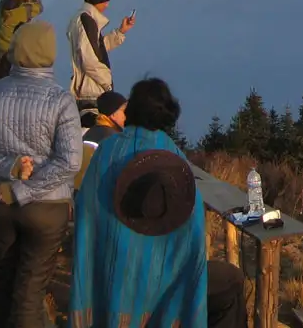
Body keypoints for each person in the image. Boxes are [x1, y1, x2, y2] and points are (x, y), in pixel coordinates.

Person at [69, 78, 246, 328]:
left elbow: (86, 218)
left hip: (110, 284)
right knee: (231, 282)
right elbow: (192, 244)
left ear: (131, 111)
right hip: (166, 288)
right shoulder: (176, 160)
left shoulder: (106, 153)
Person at [0, 20, 82, 328]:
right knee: (29, 292)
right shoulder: (60, 100)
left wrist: (9, 169)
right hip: (46, 207)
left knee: (0, 287)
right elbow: (69, 163)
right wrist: (24, 190)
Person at [67, 0, 135, 112]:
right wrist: (107, 83)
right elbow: (89, 60)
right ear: (100, 0)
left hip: (87, 92)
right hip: (91, 92)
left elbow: (96, 48)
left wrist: (120, 32)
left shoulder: (81, 18)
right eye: (106, 1)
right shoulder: (86, 20)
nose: (107, 5)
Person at [74, 90, 127, 193]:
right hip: (97, 197)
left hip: (79, 194)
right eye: (123, 111)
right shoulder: (112, 139)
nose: (126, 115)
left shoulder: (90, 133)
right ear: (113, 114)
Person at [0, 0, 43, 81]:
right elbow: (39, 7)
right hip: (15, 52)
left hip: (1, 50)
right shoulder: (25, 9)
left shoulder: (2, 5)